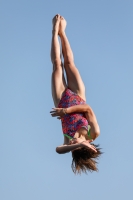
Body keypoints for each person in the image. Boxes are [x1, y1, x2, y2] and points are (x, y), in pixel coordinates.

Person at [50, 14, 102, 174]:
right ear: (87, 143)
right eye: (76, 144)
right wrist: (65, 112)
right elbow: (87, 109)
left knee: (57, 65)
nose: (72, 142)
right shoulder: (93, 132)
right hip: (78, 96)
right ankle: (62, 32)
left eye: (73, 147)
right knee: (69, 63)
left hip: (61, 99)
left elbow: (58, 150)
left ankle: (53, 31)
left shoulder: (68, 140)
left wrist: (77, 144)